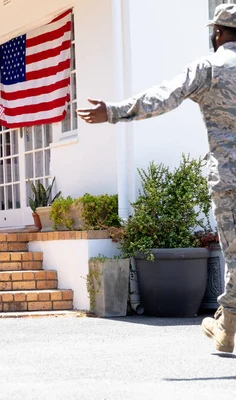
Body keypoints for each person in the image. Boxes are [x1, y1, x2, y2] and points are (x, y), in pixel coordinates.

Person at [76, 3, 236, 353]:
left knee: (234, 249)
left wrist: (113, 111)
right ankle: (227, 323)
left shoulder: (209, 67)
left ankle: (229, 326)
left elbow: (164, 97)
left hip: (229, 177)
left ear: (218, 32)